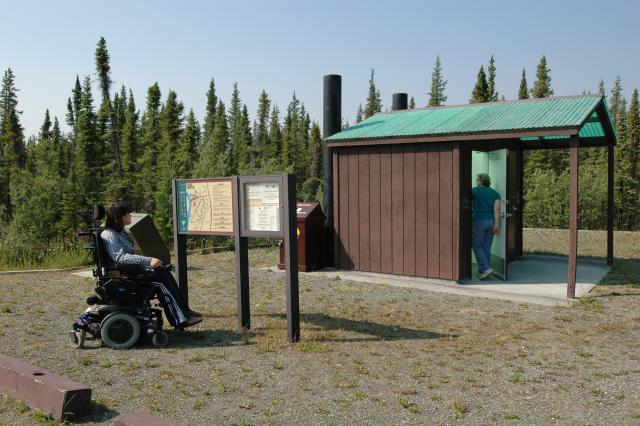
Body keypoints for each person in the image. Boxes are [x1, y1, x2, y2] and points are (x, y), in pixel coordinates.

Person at [100, 203, 202, 328]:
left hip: (132, 270)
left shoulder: (119, 232)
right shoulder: (109, 234)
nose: (131, 215)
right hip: (127, 274)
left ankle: (185, 311)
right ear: (120, 216)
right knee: (161, 279)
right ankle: (180, 319)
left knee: (164, 272)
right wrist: (148, 261)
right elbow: (120, 258)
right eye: (128, 213)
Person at [471, 173, 500, 280]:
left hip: (478, 220)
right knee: (486, 247)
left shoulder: (474, 191)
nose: (476, 182)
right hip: (491, 221)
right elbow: (496, 210)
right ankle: (483, 272)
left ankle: (486, 268)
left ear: (480, 180)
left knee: (476, 246)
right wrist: (496, 224)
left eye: (477, 180)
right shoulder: (495, 193)